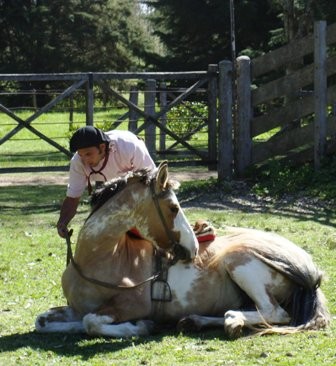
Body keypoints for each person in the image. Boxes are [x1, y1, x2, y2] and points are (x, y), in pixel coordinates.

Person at [57, 126, 156, 238]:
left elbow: (152, 181)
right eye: (81, 155)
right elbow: (73, 197)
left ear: (102, 147)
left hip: (136, 179)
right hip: (109, 184)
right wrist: (62, 222)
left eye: (89, 154)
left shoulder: (129, 147)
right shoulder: (78, 162)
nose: (85, 160)